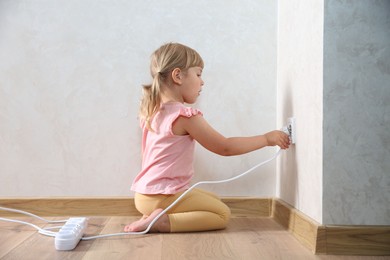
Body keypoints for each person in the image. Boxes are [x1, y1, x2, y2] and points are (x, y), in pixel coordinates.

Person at [124, 42, 290, 233]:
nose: (202, 82)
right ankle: (162, 222)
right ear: (178, 76)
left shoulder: (153, 111)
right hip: (163, 195)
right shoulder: (185, 116)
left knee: (214, 201)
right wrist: (266, 139)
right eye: (198, 74)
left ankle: (153, 215)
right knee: (222, 214)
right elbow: (224, 147)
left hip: (144, 195)